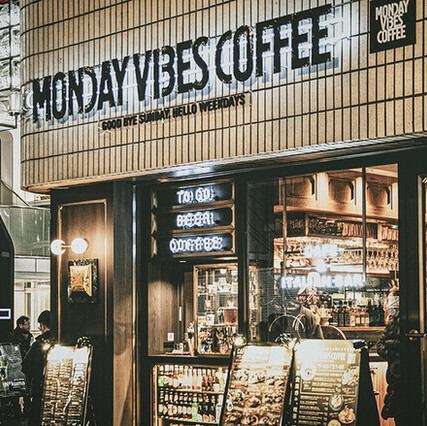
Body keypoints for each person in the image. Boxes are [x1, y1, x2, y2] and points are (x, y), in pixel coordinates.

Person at [22, 310, 54, 426]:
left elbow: (26, 365)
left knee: (36, 414)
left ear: (43, 325)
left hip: (39, 386)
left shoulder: (38, 344)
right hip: (55, 386)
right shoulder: (61, 340)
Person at [377, 283, 401, 425]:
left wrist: (391, 353)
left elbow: (380, 346)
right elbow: (380, 346)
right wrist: (392, 353)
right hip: (396, 373)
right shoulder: (392, 324)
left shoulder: (396, 324)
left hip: (396, 374)